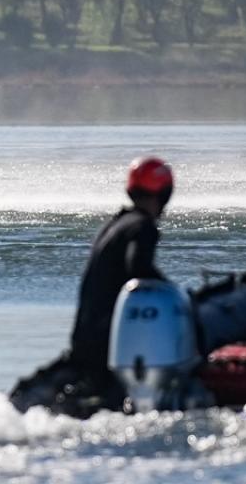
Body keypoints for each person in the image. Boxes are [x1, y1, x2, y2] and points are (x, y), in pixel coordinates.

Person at [68, 157, 174, 383]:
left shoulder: (114, 224)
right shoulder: (141, 226)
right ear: (165, 194)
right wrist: (175, 295)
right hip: (108, 342)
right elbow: (138, 269)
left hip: (84, 335)